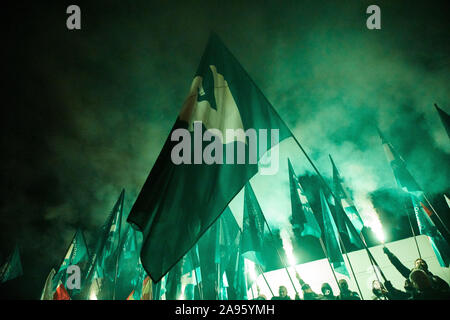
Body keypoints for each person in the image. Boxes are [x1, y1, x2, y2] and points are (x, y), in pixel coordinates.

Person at [383, 246, 449, 293]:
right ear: (415, 266)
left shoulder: (435, 278)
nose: (421, 263)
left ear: (426, 266)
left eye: (422, 262)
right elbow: (398, 265)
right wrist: (389, 254)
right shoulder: (410, 275)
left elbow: (446, 288)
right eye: (418, 262)